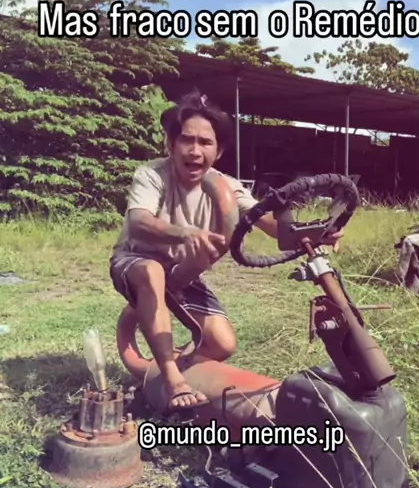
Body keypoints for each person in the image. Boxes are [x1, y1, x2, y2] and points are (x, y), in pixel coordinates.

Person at [109, 89, 343, 413]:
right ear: (171, 144)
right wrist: (183, 233)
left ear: (218, 151)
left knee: (222, 343)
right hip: (137, 259)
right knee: (151, 273)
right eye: (186, 140)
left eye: (205, 142)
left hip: (184, 272)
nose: (195, 150)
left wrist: (317, 233)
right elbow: (138, 222)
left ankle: (162, 371)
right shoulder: (152, 174)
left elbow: (271, 225)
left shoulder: (227, 186)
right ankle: (174, 381)